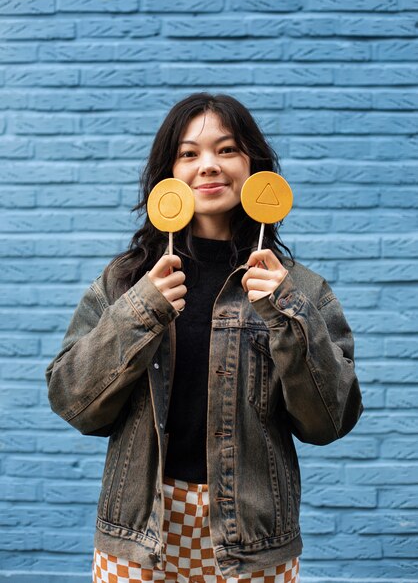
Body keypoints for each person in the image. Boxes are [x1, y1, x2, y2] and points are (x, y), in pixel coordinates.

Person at [46, 93, 363, 583]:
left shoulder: (299, 288)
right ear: (168, 175)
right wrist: (141, 308)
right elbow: (73, 401)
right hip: (139, 535)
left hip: (254, 540)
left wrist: (289, 314)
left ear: (254, 165)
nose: (209, 166)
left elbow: (328, 422)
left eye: (227, 149)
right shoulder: (127, 282)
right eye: (189, 154)